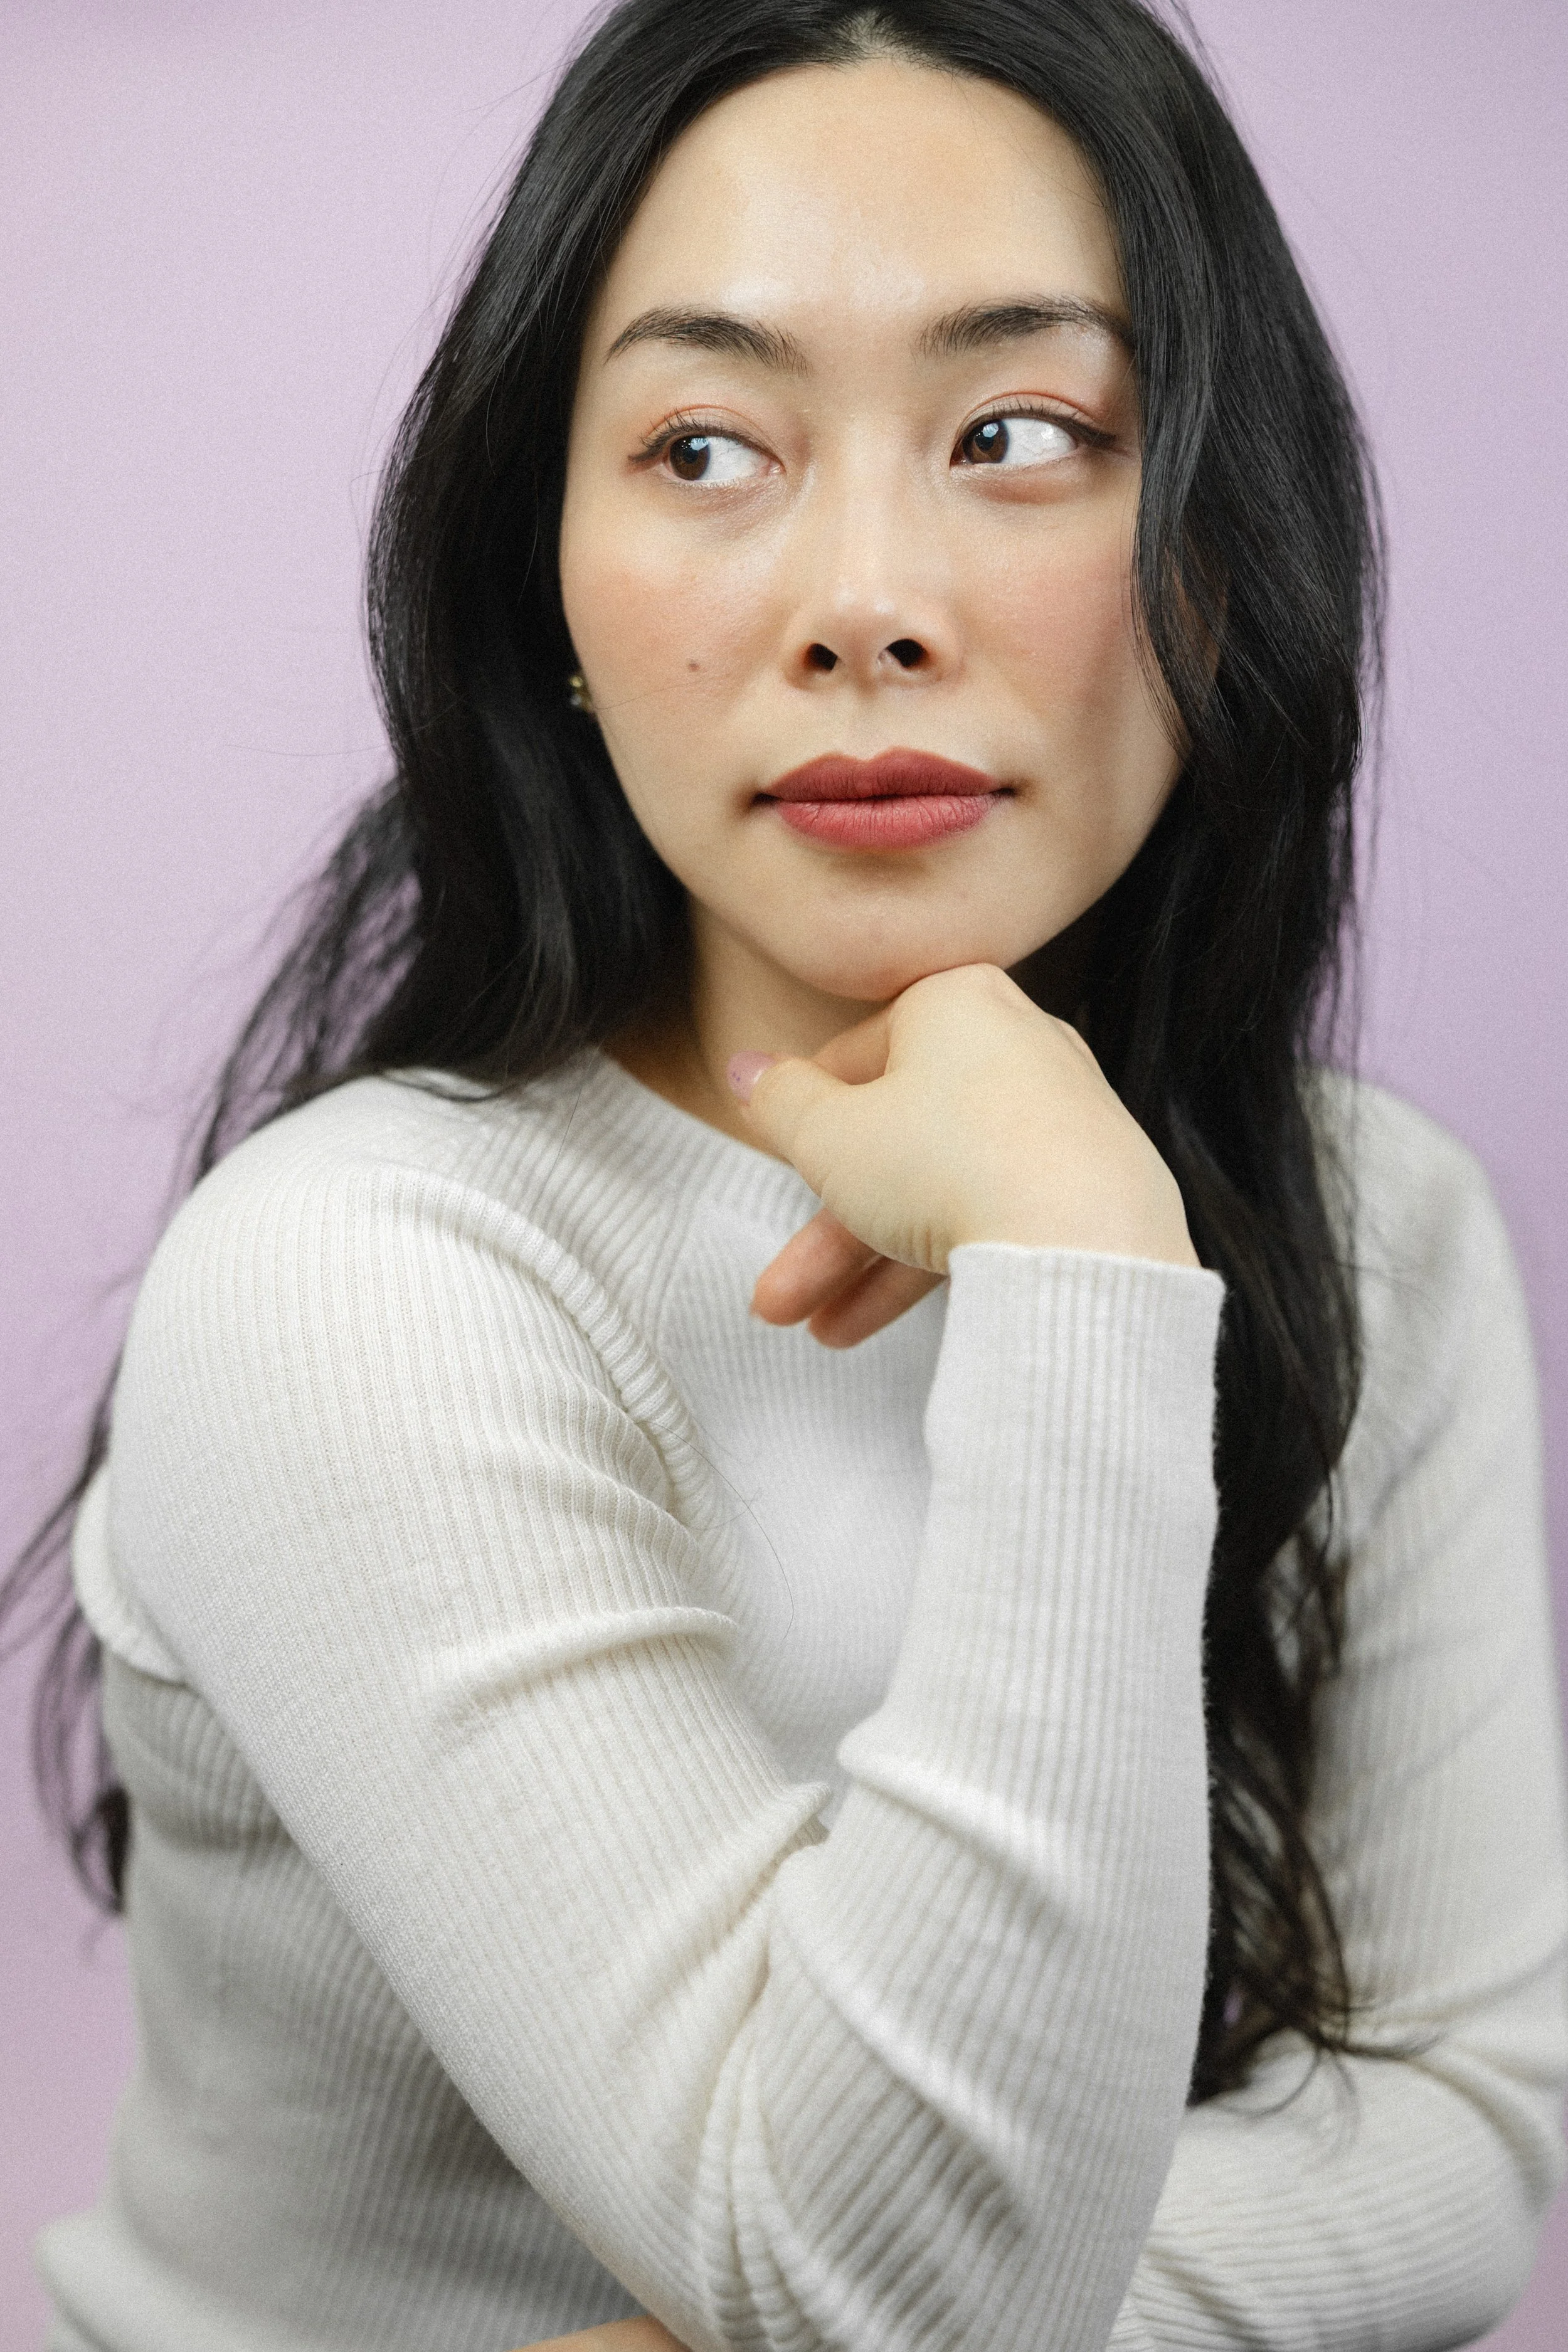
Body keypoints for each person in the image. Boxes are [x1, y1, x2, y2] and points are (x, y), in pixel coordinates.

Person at [11, 1, 1566, 2346]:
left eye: (1023, 433)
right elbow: (876, 2298)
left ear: (1225, 552)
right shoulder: (353, 1274)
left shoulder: (1378, 1228)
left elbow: (1460, 2123)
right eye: (709, 443)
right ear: (544, 574)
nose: (866, 599)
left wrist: (1081, 1244)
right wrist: (1076, 1272)